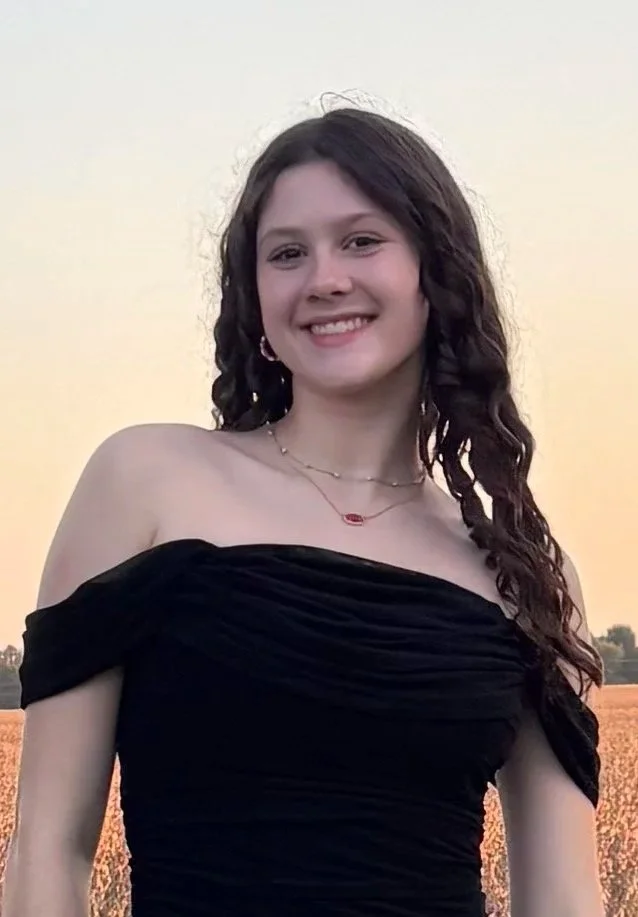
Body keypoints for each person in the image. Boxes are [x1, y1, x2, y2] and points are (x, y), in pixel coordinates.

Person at [3, 106, 605, 917]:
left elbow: (565, 898)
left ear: (437, 272)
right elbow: (48, 847)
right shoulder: (144, 482)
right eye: (287, 253)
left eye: (361, 240)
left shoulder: (528, 575)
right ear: (255, 299)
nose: (324, 278)